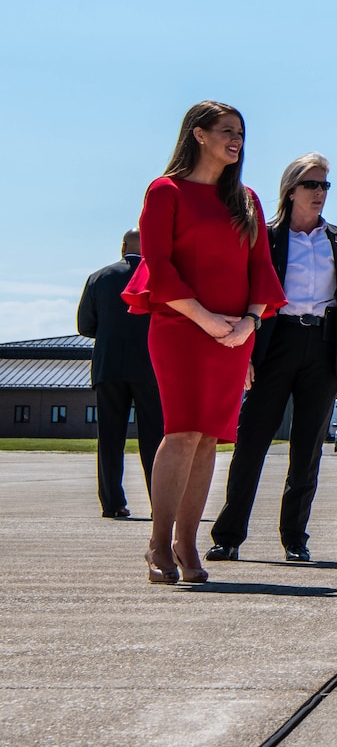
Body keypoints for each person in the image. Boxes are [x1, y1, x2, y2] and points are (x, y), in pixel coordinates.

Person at [124, 102, 285, 584]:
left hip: (234, 335)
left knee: (210, 437)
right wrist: (206, 318)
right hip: (179, 328)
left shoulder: (248, 200)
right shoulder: (165, 191)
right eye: (226, 132)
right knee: (182, 432)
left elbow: (261, 269)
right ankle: (158, 542)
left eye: (241, 133)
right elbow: (159, 265)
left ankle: (188, 540)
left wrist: (249, 324)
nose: (236, 141)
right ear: (198, 134)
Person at [208, 154, 337, 563]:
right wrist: (242, 352)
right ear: (291, 190)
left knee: (308, 448)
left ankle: (295, 538)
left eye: (324, 186)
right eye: (312, 185)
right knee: (251, 442)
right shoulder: (263, 236)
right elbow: (243, 294)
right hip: (274, 343)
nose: (319, 193)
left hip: (323, 348)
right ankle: (228, 536)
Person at [76, 231, 164, 519]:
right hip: (149, 367)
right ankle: (160, 503)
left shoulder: (98, 278)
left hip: (108, 366)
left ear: (123, 248)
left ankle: (113, 503)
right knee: (154, 437)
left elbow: (85, 325)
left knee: (110, 438)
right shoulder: (159, 277)